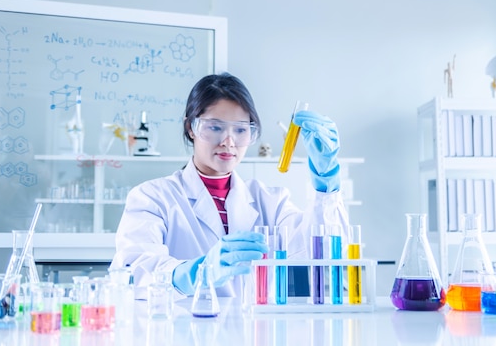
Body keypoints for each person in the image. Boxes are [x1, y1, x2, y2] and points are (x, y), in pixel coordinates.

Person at [111, 73, 348, 299]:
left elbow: (321, 254)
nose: (228, 141)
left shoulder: (270, 201)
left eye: (241, 130)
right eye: (214, 127)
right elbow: (133, 272)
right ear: (191, 128)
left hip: (255, 333)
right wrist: (193, 273)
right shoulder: (152, 197)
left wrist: (326, 183)